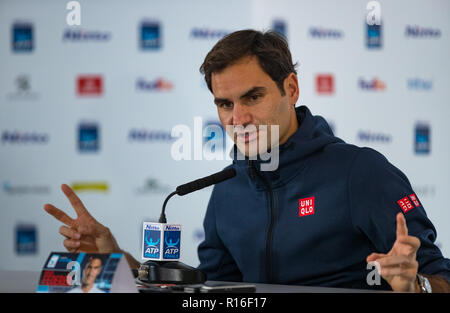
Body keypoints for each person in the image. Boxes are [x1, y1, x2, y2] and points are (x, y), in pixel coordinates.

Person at [44, 29, 450, 292]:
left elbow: (440, 278)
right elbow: (208, 293)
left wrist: (416, 286)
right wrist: (117, 258)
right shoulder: (227, 187)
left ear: (290, 89)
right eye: (224, 103)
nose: (237, 119)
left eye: (252, 97)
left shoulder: (361, 171)